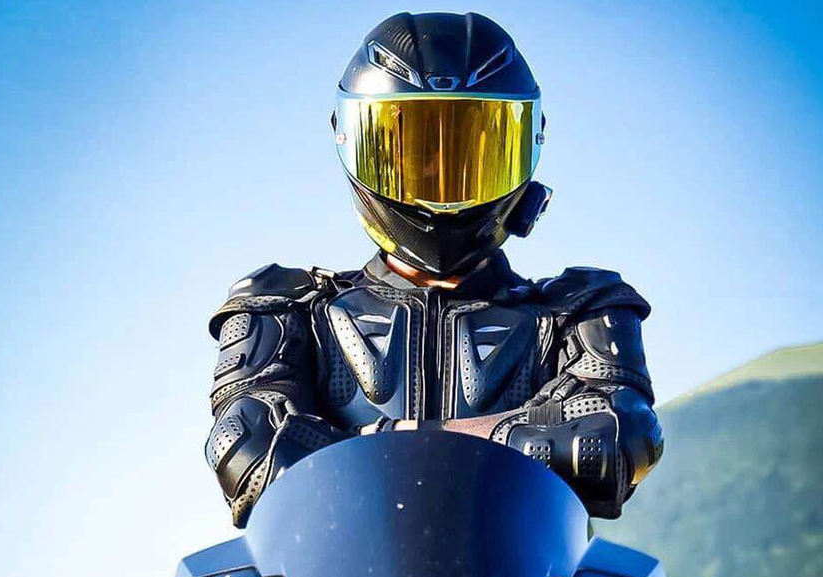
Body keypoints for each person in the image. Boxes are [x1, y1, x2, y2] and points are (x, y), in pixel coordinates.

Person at [205, 11, 663, 527]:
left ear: (525, 148)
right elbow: (247, 446)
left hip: (520, 574)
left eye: (470, 153)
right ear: (354, 143)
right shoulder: (286, 308)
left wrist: (393, 440)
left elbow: (613, 436)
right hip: (338, 574)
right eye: (416, 154)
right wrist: (501, 437)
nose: (441, 176)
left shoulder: (579, 309)